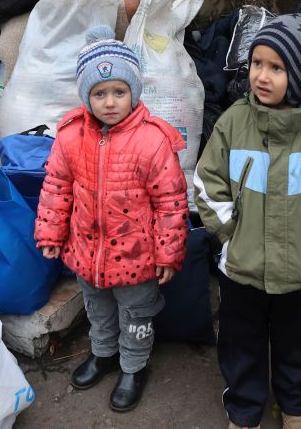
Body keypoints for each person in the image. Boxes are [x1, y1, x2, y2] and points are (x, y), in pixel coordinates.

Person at [194, 1, 301, 429]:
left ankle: (295, 405)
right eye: (256, 63)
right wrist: (230, 233)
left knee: (295, 344)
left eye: (276, 67)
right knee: (241, 344)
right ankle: (245, 409)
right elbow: (206, 183)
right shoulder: (233, 124)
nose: (261, 75)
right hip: (242, 269)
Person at [34, 26, 188, 413]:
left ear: (134, 92)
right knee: (97, 307)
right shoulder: (70, 136)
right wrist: (51, 232)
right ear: (86, 95)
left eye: (119, 92)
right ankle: (103, 354)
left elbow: (171, 202)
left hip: (138, 256)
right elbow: (56, 187)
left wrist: (168, 254)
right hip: (88, 251)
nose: (109, 102)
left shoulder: (153, 140)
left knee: (137, 313)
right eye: (99, 94)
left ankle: (134, 365)